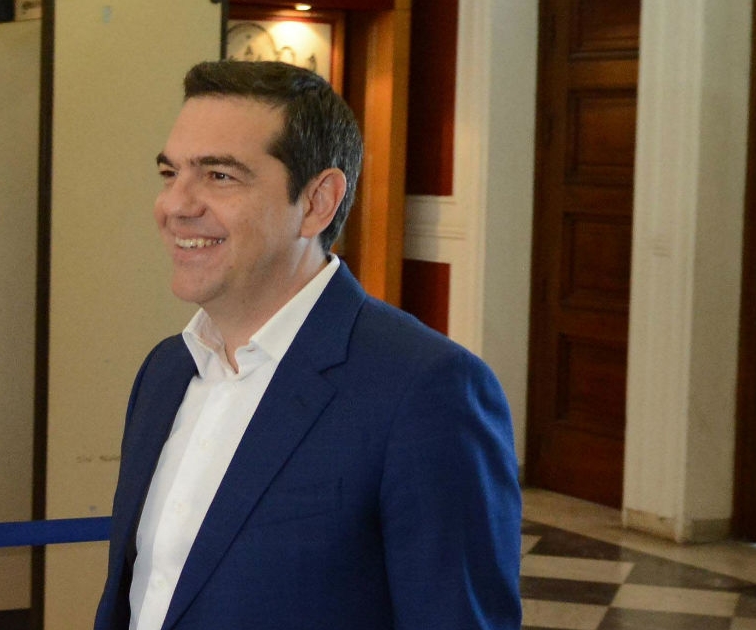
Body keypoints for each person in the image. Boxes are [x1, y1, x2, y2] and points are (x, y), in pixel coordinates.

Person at [94, 60, 523, 630]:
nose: (176, 204)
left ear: (318, 202)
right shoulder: (166, 371)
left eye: (219, 176)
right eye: (170, 173)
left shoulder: (427, 390)